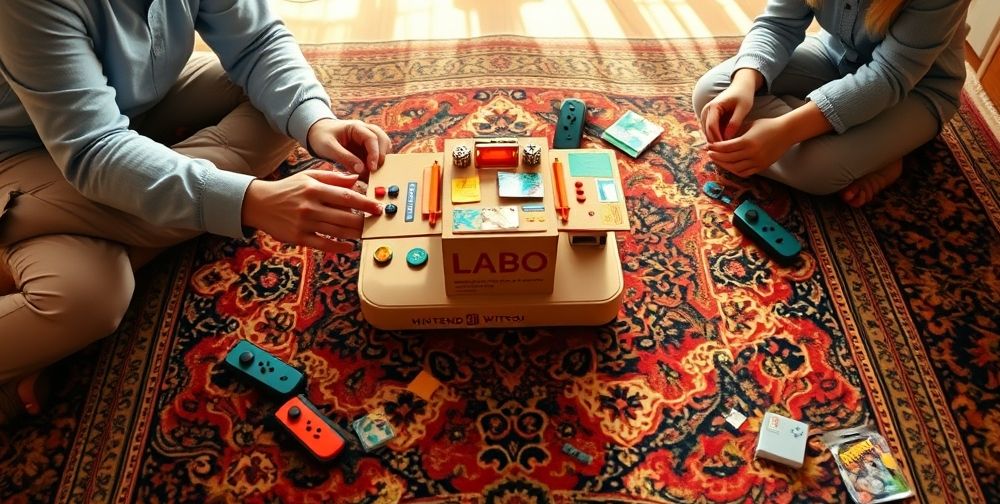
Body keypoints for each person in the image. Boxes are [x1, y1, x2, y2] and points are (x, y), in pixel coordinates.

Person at [0, 1, 391, 425]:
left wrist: (316, 123)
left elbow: (258, 41)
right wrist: (249, 202)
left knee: (279, 111)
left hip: (132, 109)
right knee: (91, 298)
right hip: (25, 149)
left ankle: (61, 220)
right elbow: (95, 151)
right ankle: (30, 221)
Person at [692, 0, 970, 207]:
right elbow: (778, 24)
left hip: (917, 90)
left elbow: (889, 76)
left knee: (819, 169)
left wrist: (786, 130)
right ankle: (857, 142)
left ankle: (880, 154)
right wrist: (744, 85)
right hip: (836, 55)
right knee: (711, 93)